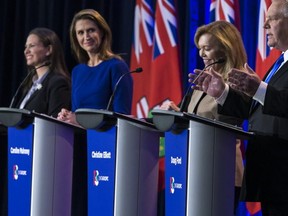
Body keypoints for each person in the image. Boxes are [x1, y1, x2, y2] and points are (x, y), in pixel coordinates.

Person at [190, 0, 288, 215]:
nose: (264, 26)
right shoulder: (281, 62)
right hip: (271, 175)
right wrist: (222, 93)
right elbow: (258, 111)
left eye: (271, 20)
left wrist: (259, 89)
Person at [161, 20, 246, 213]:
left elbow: (233, 121)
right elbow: (193, 117)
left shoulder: (238, 80)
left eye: (207, 48)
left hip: (221, 170)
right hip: (192, 165)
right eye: (199, 48)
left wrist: (221, 93)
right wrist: (177, 114)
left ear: (224, 49)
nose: (201, 54)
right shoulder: (202, 78)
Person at [57, 9, 133, 125]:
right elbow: (77, 112)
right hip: (78, 138)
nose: (86, 36)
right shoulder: (77, 71)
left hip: (105, 139)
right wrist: (67, 116)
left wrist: (79, 121)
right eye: (80, 32)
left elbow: (122, 118)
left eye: (91, 30)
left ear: (102, 32)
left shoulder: (117, 66)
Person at [10, 27, 71, 117]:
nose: (26, 51)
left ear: (49, 50)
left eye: (32, 46)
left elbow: (55, 122)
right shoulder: (29, 84)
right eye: (26, 47)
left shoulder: (57, 83)